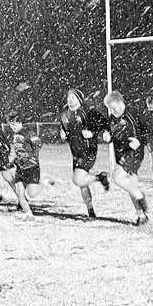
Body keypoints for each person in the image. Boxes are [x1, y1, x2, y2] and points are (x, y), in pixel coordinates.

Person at [59, 87, 110, 218]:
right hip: (75, 154)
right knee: (82, 184)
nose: (70, 101)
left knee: (78, 179)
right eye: (68, 98)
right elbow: (64, 128)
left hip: (88, 151)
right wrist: (63, 133)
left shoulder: (89, 112)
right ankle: (91, 211)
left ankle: (100, 177)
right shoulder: (64, 114)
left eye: (73, 98)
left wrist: (93, 133)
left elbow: (104, 123)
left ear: (80, 99)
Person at [103, 91, 150, 225]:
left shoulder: (133, 113)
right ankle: (141, 215)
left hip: (133, 153)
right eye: (109, 108)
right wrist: (107, 136)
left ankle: (140, 196)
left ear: (119, 102)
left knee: (117, 177)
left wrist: (139, 141)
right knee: (131, 186)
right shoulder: (112, 118)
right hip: (121, 154)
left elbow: (146, 129)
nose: (112, 111)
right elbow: (111, 132)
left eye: (113, 107)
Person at [7, 111, 52, 203]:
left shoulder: (27, 133)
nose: (12, 127)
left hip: (32, 167)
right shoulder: (16, 135)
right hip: (21, 167)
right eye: (10, 125)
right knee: (20, 189)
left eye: (13, 124)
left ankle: (44, 181)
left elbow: (38, 143)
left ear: (20, 122)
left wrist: (30, 154)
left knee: (32, 193)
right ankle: (23, 207)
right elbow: (17, 151)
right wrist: (12, 161)